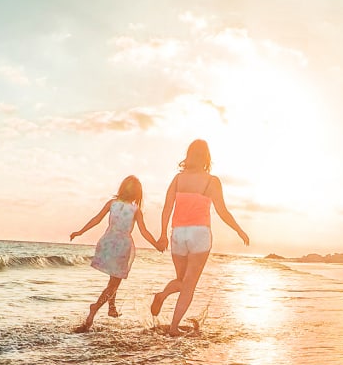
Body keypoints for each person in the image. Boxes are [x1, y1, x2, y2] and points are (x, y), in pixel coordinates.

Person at [151, 139, 249, 336]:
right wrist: (238, 229)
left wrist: (163, 234)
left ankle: (163, 295)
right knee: (189, 285)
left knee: (181, 280)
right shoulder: (212, 181)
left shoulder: (178, 179)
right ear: (206, 157)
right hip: (199, 235)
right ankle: (173, 327)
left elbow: (167, 208)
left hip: (178, 233)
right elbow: (222, 211)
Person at [69, 175, 162, 332]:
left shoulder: (112, 203)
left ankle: (112, 307)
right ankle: (95, 308)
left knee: (113, 279)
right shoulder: (136, 210)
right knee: (115, 282)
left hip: (107, 242)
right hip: (122, 246)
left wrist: (80, 232)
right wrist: (156, 244)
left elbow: (96, 219)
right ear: (138, 194)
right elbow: (144, 231)